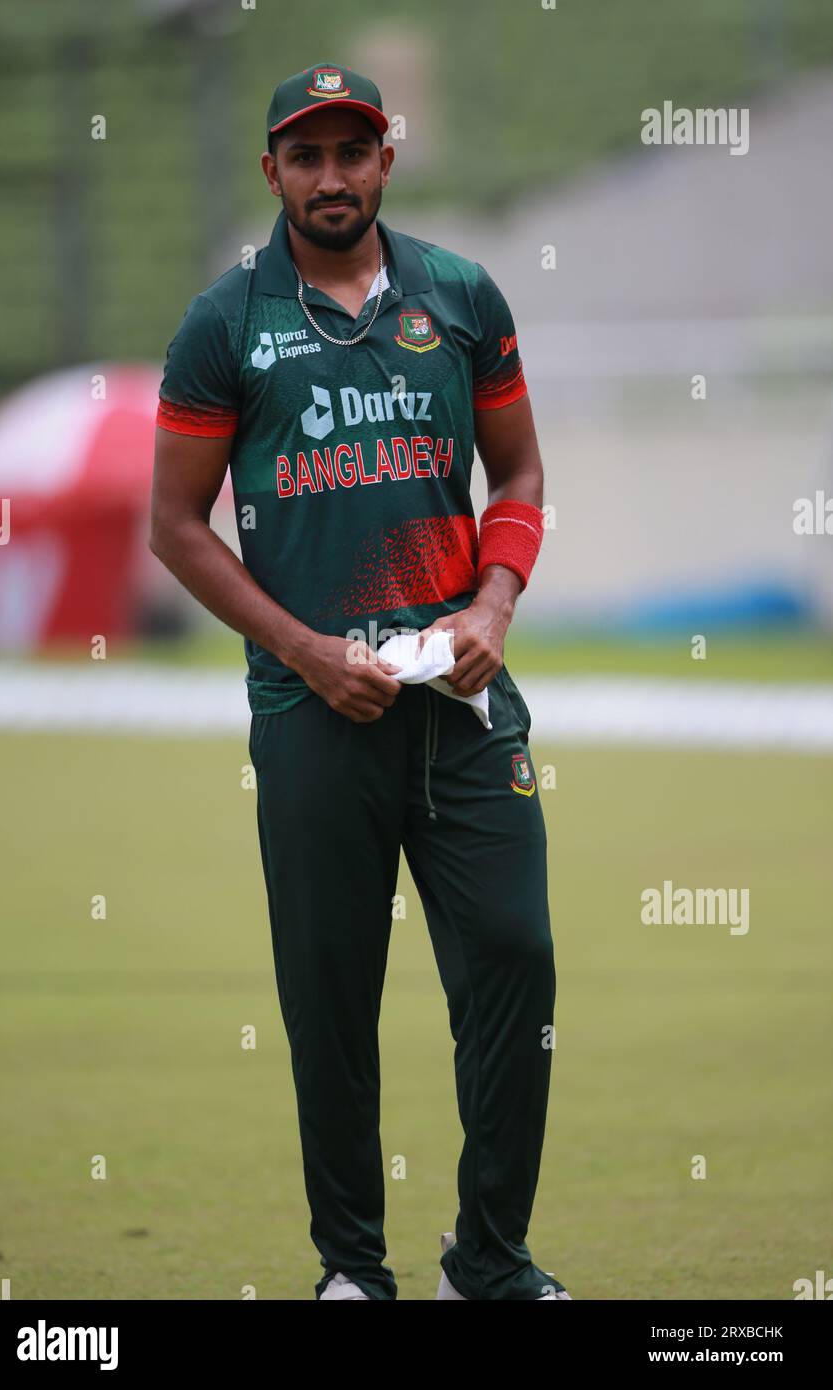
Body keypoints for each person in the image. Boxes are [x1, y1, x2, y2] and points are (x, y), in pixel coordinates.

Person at [150, 60, 569, 1302]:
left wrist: (492, 600)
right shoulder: (225, 322)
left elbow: (522, 478)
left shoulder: (461, 294)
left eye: (352, 151)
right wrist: (300, 652)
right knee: (330, 995)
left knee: (516, 958)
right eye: (304, 154)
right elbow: (175, 525)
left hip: (461, 707)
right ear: (271, 170)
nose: (330, 176)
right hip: (310, 712)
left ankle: (486, 1262)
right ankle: (351, 1271)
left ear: (386, 158)